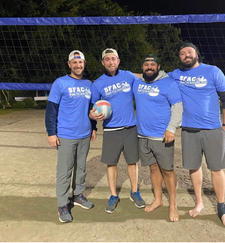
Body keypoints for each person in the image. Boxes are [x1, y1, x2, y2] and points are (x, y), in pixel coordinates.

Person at [168, 42, 225, 229]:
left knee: (216, 169)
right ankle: (199, 202)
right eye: (182, 53)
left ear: (197, 53)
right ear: (180, 58)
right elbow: (153, 75)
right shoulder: (176, 74)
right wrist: (127, 76)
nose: (186, 55)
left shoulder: (213, 71)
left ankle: (221, 208)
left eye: (189, 51)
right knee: (194, 168)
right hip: (189, 130)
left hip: (213, 129)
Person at [89, 48, 145, 213]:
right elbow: (91, 108)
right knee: (111, 164)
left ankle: (134, 192)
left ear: (118, 61)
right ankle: (113, 195)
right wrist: (92, 117)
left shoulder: (128, 76)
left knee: (132, 162)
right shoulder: (98, 83)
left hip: (130, 128)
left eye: (113, 59)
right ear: (103, 62)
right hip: (111, 130)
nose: (111, 62)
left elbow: (144, 76)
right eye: (107, 59)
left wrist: (160, 74)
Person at [45, 50, 96, 223]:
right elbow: (51, 110)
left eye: (80, 62)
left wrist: (94, 127)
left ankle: (78, 195)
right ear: (69, 65)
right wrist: (51, 133)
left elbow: (91, 109)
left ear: (84, 63)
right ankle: (62, 204)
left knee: (81, 168)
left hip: (85, 134)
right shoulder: (60, 83)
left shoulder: (89, 84)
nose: (78, 65)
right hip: (66, 134)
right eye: (74, 63)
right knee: (64, 171)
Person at [133, 54, 183, 222]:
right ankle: (158, 200)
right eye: (146, 64)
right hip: (143, 135)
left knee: (167, 171)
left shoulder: (168, 83)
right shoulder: (138, 83)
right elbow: (125, 75)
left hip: (162, 135)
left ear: (158, 66)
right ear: (142, 67)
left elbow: (177, 106)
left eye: (152, 64)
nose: (149, 67)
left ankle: (173, 205)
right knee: (153, 169)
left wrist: (171, 129)